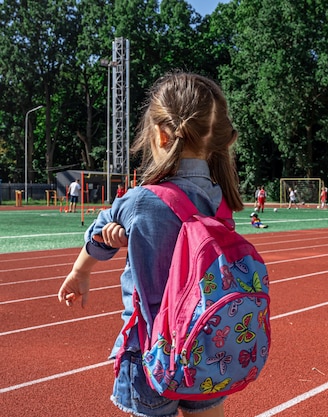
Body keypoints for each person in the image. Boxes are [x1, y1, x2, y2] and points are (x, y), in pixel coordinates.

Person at [57, 72, 244, 417]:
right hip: (205, 343)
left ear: (160, 134)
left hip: (149, 350)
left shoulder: (138, 202)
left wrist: (78, 273)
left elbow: (97, 237)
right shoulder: (221, 202)